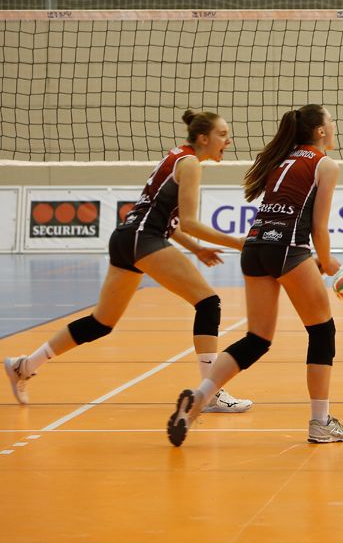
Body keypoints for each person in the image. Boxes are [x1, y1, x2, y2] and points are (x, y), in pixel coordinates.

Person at [4, 110, 251, 414]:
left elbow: (169, 222)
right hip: (142, 239)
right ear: (203, 138)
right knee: (208, 302)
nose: (228, 140)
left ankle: (24, 365)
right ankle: (210, 392)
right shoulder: (190, 164)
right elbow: (189, 223)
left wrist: (197, 250)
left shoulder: (176, 157)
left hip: (126, 238)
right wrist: (239, 242)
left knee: (101, 323)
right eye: (223, 134)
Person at [167, 104, 343, 446]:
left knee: (258, 338)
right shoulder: (325, 165)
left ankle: (201, 397)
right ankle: (320, 422)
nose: (335, 125)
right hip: (287, 249)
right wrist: (327, 263)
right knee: (322, 332)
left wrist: (314, 259)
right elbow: (318, 227)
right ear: (320, 131)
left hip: (254, 248)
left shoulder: (280, 160)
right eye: (331, 121)